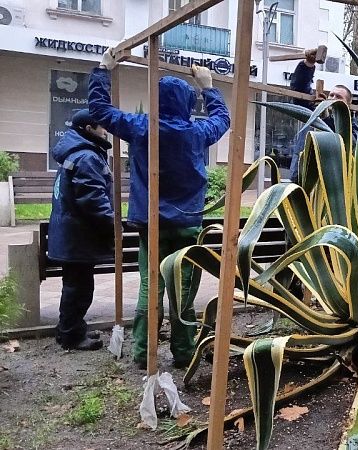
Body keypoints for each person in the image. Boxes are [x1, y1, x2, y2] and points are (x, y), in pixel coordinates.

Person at [89, 50, 231, 369]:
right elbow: (223, 119)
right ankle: (182, 352)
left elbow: (99, 109)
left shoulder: (141, 127)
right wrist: (208, 86)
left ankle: (144, 351)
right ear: (185, 103)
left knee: (149, 287)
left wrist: (103, 70)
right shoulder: (197, 133)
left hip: (150, 225)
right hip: (187, 225)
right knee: (183, 290)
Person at [49, 109, 114, 351]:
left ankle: (68, 330)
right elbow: (92, 199)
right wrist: (112, 223)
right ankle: (72, 336)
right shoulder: (87, 157)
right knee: (80, 288)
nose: (105, 130)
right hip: (78, 237)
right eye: (101, 126)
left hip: (71, 235)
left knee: (74, 285)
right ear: (89, 129)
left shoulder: (76, 152)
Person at [288, 49, 358, 183]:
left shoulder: (351, 125)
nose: (332, 98)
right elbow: (299, 91)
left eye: (338, 97)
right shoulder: (314, 112)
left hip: (329, 186)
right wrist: (308, 64)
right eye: (331, 95)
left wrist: (326, 119)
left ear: (348, 105)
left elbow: (350, 143)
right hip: (301, 177)